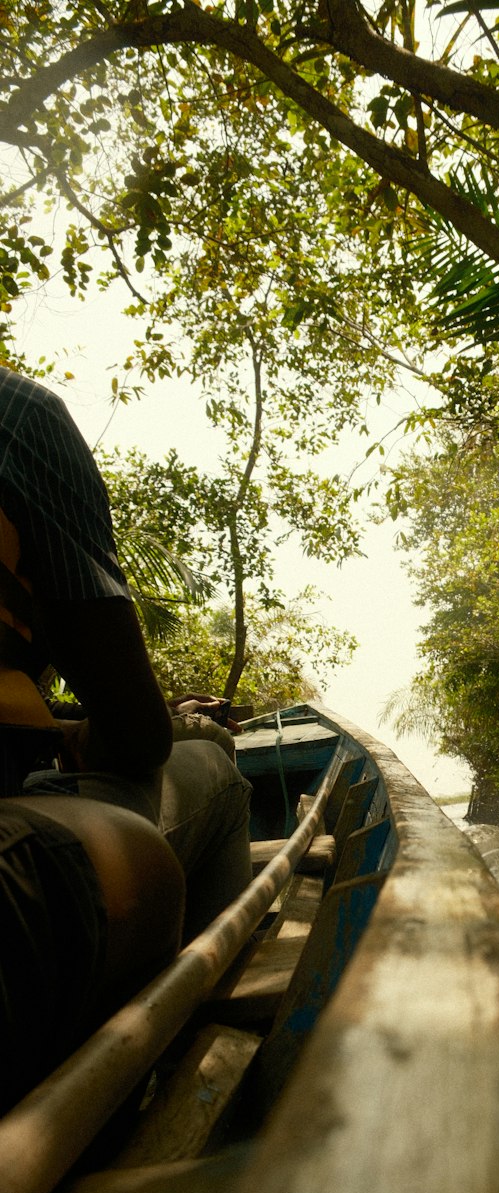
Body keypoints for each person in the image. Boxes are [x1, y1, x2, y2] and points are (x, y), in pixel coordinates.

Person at [0, 365, 252, 1110]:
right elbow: (141, 738)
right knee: (216, 766)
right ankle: (185, 1096)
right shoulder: (18, 414)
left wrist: (64, 730)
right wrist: (155, 722)